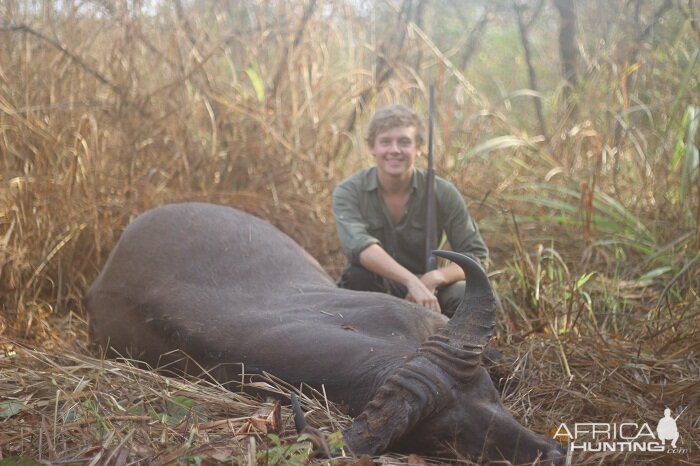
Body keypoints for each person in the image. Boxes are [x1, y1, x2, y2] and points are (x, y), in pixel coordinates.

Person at [332, 104, 489, 317]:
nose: (395, 150)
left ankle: (448, 346)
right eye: (385, 141)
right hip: (379, 288)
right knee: (356, 276)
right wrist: (411, 281)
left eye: (404, 142)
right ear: (372, 147)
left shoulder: (442, 192)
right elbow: (360, 247)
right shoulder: (349, 191)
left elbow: (475, 257)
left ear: (418, 148)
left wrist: (434, 278)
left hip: (430, 291)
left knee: (468, 295)